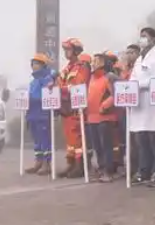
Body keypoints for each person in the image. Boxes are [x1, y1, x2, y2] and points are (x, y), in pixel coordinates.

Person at [129, 27, 155, 187]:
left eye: (145, 36)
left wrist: (140, 84)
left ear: (153, 39)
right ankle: (143, 170)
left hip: (153, 103)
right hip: (139, 103)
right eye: (141, 36)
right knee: (141, 139)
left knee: (154, 139)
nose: (142, 39)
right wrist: (133, 85)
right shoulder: (139, 58)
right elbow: (133, 77)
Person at [57, 38, 90, 179]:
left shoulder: (82, 67)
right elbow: (59, 82)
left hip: (77, 107)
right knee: (70, 138)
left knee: (77, 138)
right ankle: (71, 163)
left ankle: (80, 165)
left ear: (76, 51)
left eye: (68, 49)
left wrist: (63, 89)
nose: (66, 52)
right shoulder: (67, 67)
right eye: (64, 49)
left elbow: (79, 85)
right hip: (66, 108)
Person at [86, 53, 118, 182]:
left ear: (103, 63)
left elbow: (116, 93)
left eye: (96, 61)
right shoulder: (91, 78)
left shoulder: (110, 77)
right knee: (97, 147)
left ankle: (108, 171)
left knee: (106, 146)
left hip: (105, 118)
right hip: (92, 118)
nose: (92, 63)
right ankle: (101, 169)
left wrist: (104, 106)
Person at [24, 54, 56, 176]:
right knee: (37, 140)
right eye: (33, 64)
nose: (34, 66)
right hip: (33, 114)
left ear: (43, 65)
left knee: (44, 139)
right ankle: (38, 161)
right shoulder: (32, 82)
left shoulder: (47, 79)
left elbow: (47, 95)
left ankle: (47, 163)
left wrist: (32, 99)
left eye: (37, 64)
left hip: (43, 114)